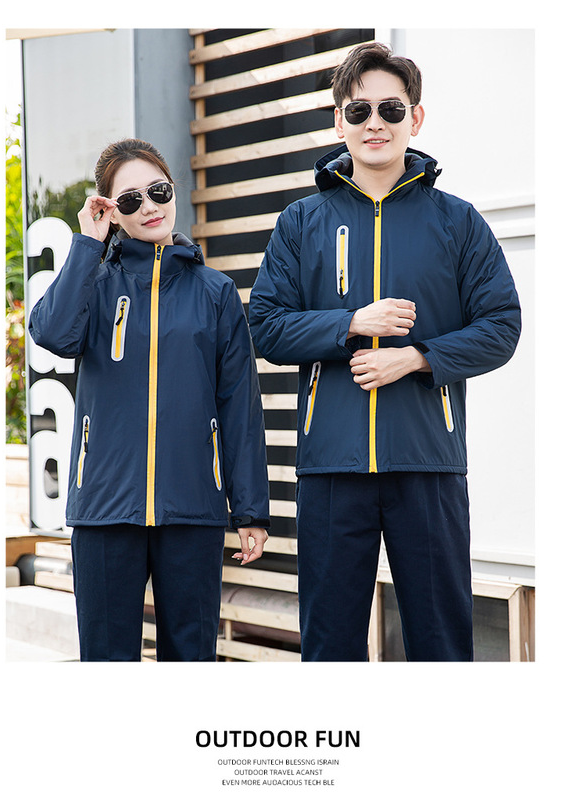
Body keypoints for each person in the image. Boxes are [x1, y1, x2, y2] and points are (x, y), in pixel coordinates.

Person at [248, 42, 521, 662]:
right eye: (359, 109)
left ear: (415, 118)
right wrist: (350, 323)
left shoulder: (458, 222)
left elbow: (501, 325)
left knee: (440, 645)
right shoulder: (301, 222)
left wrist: (417, 358)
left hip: (428, 462)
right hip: (330, 467)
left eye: (391, 109)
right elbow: (266, 327)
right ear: (338, 121)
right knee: (330, 648)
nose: (375, 122)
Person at [29, 138, 270, 662]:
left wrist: (250, 509)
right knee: (107, 662)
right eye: (130, 199)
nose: (150, 206)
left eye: (158, 191)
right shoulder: (93, 283)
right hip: (104, 508)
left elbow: (239, 407)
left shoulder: (215, 292)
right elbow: (51, 334)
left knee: (190, 662)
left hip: (193, 509)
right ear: (111, 211)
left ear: (172, 190)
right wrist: (87, 245)